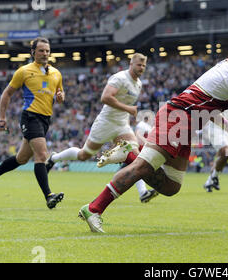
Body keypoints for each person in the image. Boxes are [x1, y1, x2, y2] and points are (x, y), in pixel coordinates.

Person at [78, 36, 228, 233]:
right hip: (178, 117)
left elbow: (217, 111)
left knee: (172, 186)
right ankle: (94, 209)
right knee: (142, 167)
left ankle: (130, 153)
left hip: (187, 120)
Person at [46, 53, 158, 203]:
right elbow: (105, 97)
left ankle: (143, 192)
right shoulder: (120, 78)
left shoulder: (138, 84)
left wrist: (127, 111)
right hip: (106, 123)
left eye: (144, 65)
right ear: (131, 64)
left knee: (136, 156)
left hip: (122, 124)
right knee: (84, 154)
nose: (142, 68)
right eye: (139, 65)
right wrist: (129, 108)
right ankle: (54, 158)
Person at [0, 37, 65, 209]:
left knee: (21, 159)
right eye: (41, 50)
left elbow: (60, 95)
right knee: (41, 155)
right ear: (33, 52)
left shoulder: (56, 73)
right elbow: (7, 94)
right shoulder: (24, 71)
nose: (45, 54)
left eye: (47, 51)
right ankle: (49, 196)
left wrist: (61, 98)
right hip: (30, 117)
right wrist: (2, 118)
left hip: (45, 119)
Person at [202, 112, 228, 192]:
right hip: (215, 127)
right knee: (225, 151)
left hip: (227, 129)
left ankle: (210, 180)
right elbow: (212, 112)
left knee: (224, 156)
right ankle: (214, 177)